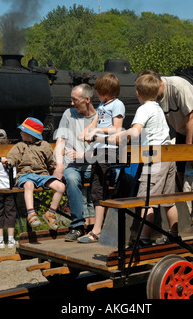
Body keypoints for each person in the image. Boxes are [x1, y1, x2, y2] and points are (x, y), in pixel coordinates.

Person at [108, 73, 178, 246]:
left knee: (146, 199)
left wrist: (118, 137)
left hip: (155, 158)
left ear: (138, 93)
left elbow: (135, 131)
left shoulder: (144, 109)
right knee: (168, 200)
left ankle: (144, 238)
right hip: (168, 156)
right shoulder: (158, 108)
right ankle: (174, 234)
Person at [77, 73, 125, 243]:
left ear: (106, 90)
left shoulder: (117, 105)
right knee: (97, 190)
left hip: (109, 151)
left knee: (102, 188)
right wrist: (86, 130)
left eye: (99, 91)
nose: (97, 94)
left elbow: (117, 128)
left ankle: (100, 229)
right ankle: (98, 229)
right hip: (99, 151)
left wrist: (97, 131)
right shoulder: (102, 105)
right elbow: (94, 122)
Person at [137, 70, 193, 186]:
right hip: (180, 131)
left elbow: (192, 117)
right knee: (180, 168)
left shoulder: (178, 87)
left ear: (161, 84)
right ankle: (180, 197)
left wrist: (189, 148)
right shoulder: (154, 96)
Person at [2, 117, 65, 231]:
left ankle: (50, 213)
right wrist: (8, 162)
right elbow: (12, 158)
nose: (20, 133)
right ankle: (31, 214)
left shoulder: (44, 145)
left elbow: (51, 163)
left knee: (60, 187)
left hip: (42, 175)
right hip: (25, 175)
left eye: (23, 131)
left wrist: (55, 172)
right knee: (29, 184)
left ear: (30, 134)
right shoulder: (19, 146)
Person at [53, 84, 97, 242]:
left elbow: (102, 149)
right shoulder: (68, 114)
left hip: (93, 164)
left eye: (75, 100)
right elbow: (61, 140)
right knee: (71, 178)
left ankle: (99, 226)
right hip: (73, 166)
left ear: (87, 99)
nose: (72, 103)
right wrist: (59, 164)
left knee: (104, 179)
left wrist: (84, 155)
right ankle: (77, 225)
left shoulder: (99, 117)